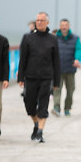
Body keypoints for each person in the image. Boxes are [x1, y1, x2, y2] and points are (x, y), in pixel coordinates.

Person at [18, 12, 60, 143]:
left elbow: (56, 62)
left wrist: (56, 82)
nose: (39, 22)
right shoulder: (28, 38)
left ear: (47, 22)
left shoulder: (53, 39)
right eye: (37, 20)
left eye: (42, 20)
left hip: (46, 78)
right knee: (29, 105)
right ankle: (36, 123)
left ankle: (40, 132)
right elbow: (22, 59)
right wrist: (20, 77)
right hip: (30, 77)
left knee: (43, 105)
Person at [52, 19, 81, 117]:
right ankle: (56, 107)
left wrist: (77, 59)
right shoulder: (54, 38)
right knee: (57, 89)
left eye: (66, 25)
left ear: (69, 26)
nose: (64, 27)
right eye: (62, 25)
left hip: (70, 68)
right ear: (60, 27)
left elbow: (78, 49)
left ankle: (67, 108)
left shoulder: (75, 38)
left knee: (70, 90)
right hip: (57, 69)